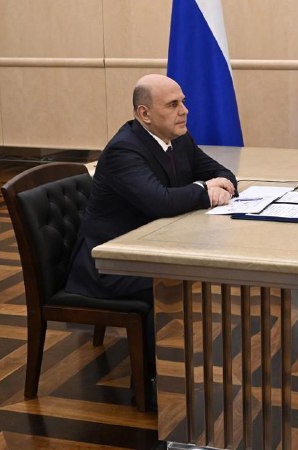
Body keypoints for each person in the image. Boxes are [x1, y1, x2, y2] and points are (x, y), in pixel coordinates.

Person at [65, 74, 238, 407]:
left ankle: (195, 365)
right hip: (111, 264)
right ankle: (160, 383)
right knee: (182, 282)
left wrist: (219, 185)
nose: (184, 110)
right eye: (173, 104)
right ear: (144, 114)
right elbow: (160, 201)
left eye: (183, 102)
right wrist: (205, 190)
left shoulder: (178, 137)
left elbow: (221, 173)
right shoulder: (124, 149)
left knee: (198, 275)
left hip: (151, 247)